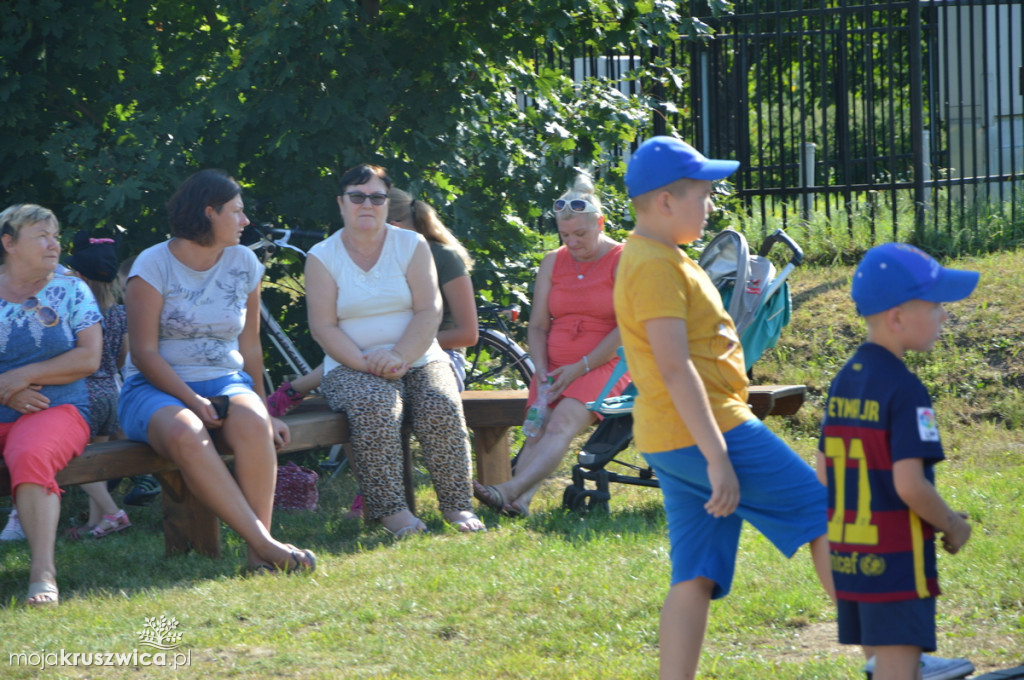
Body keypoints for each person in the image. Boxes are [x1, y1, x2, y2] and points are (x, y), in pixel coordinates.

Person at [612, 136, 835, 680]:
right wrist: (717, 457)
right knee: (822, 512)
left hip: (672, 436)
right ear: (665, 200)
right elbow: (674, 367)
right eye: (703, 195)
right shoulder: (654, 266)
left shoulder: (661, 257)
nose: (710, 206)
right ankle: (894, 658)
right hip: (707, 429)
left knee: (696, 574)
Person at [117, 169, 316, 573]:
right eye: (237, 212)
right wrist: (191, 400)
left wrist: (265, 407)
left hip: (225, 379)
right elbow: (144, 353)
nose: (245, 222)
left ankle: (257, 560)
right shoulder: (152, 265)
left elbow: (250, 345)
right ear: (210, 213)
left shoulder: (244, 262)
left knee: (254, 425)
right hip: (154, 387)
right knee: (185, 430)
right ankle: (266, 545)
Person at [266, 188, 480, 518]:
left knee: (439, 402)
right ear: (342, 205)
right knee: (374, 403)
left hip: (419, 356)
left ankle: (458, 507)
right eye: (357, 199)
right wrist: (368, 361)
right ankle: (387, 508)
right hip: (358, 362)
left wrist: (399, 354)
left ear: (389, 217)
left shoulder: (427, 251)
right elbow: (324, 327)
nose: (367, 207)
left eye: (376, 201)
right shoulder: (326, 255)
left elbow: (455, 325)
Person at [818, 242, 976, 680]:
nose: (944, 313)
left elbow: (823, 468)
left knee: (880, 666)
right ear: (897, 317)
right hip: (896, 563)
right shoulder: (906, 390)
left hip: (852, 556)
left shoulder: (844, 380)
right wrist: (951, 523)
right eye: (935, 304)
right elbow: (909, 485)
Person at [472, 175, 629, 517]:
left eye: (581, 234)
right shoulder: (552, 261)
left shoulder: (623, 258)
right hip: (555, 364)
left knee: (561, 423)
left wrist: (578, 368)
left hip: (605, 364)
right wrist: (541, 369)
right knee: (536, 429)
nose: (572, 242)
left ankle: (510, 488)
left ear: (600, 223)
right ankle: (519, 504)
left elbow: (624, 329)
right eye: (565, 235)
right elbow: (539, 325)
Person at [0, 204, 103, 605]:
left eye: (55, 235)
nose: (53, 244)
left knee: (30, 452)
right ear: (8, 243)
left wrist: (21, 376)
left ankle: (42, 573)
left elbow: (88, 358)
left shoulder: (72, 289)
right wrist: (5, 389)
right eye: (41, 235)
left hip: (57, 410)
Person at [63, 230, 131, 538]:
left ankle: (114, 513)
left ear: (78, 275)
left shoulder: (77, 311)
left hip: (83, 393)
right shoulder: (119, 313)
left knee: (69, 458)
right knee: (97, 464)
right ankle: (95, 522)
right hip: (110, 393)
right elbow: (122, 356)